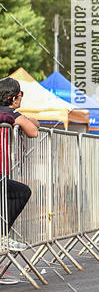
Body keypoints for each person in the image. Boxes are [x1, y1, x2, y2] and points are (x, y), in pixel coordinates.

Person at [0, 77, 39, 281]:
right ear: (16, 96)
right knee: (22, 192)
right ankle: (1, 236)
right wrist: (25, 118)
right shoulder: (9, 114)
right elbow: (33, 131)